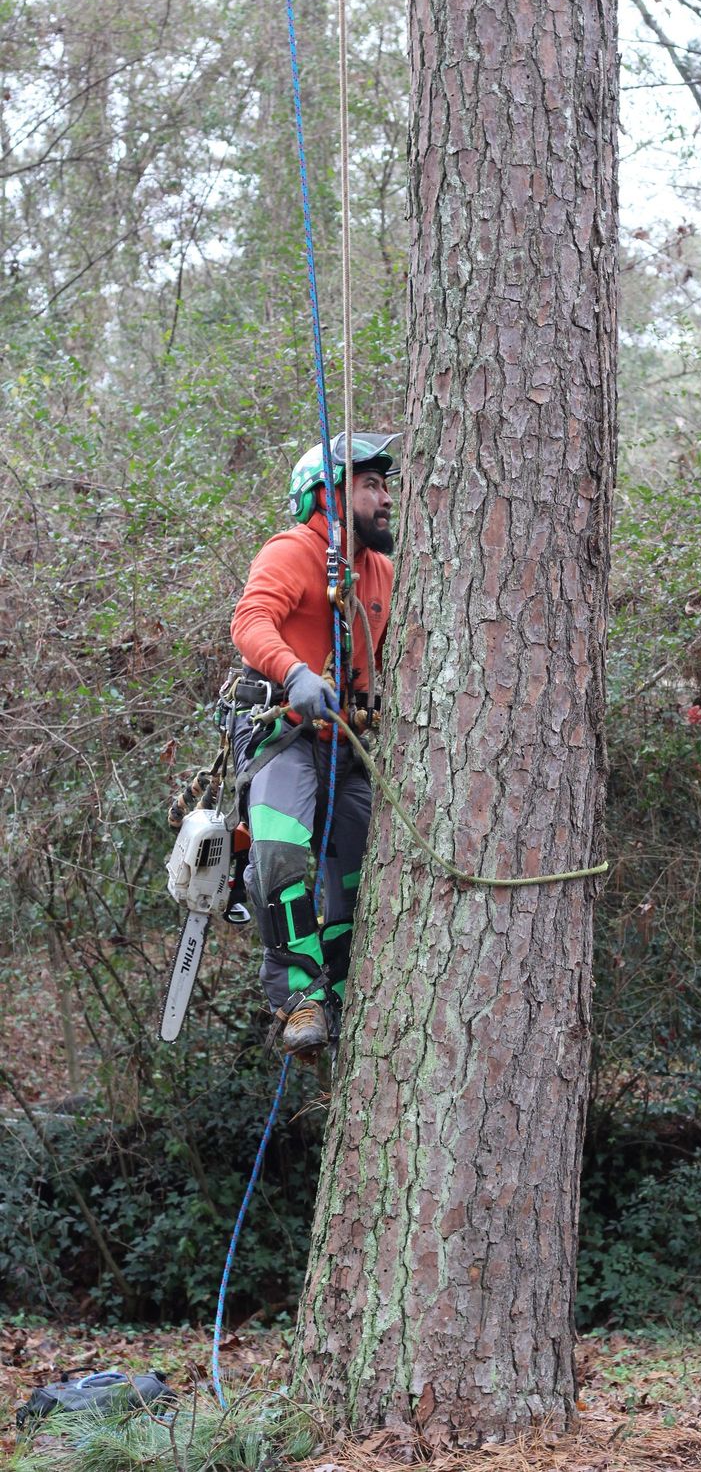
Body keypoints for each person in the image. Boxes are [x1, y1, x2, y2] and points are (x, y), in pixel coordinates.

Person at [230, 432, 398, 1057]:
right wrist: (293, 672)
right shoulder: (294, 551)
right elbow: (250, 620)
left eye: (385, 486)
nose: (384, 498)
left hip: (347, 746)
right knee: (278, 855)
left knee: (359, 870)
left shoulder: (379, 570)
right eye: (370, 486)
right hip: (285, 736)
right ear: (326, 493)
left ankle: (340, 988)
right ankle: (297, 999)